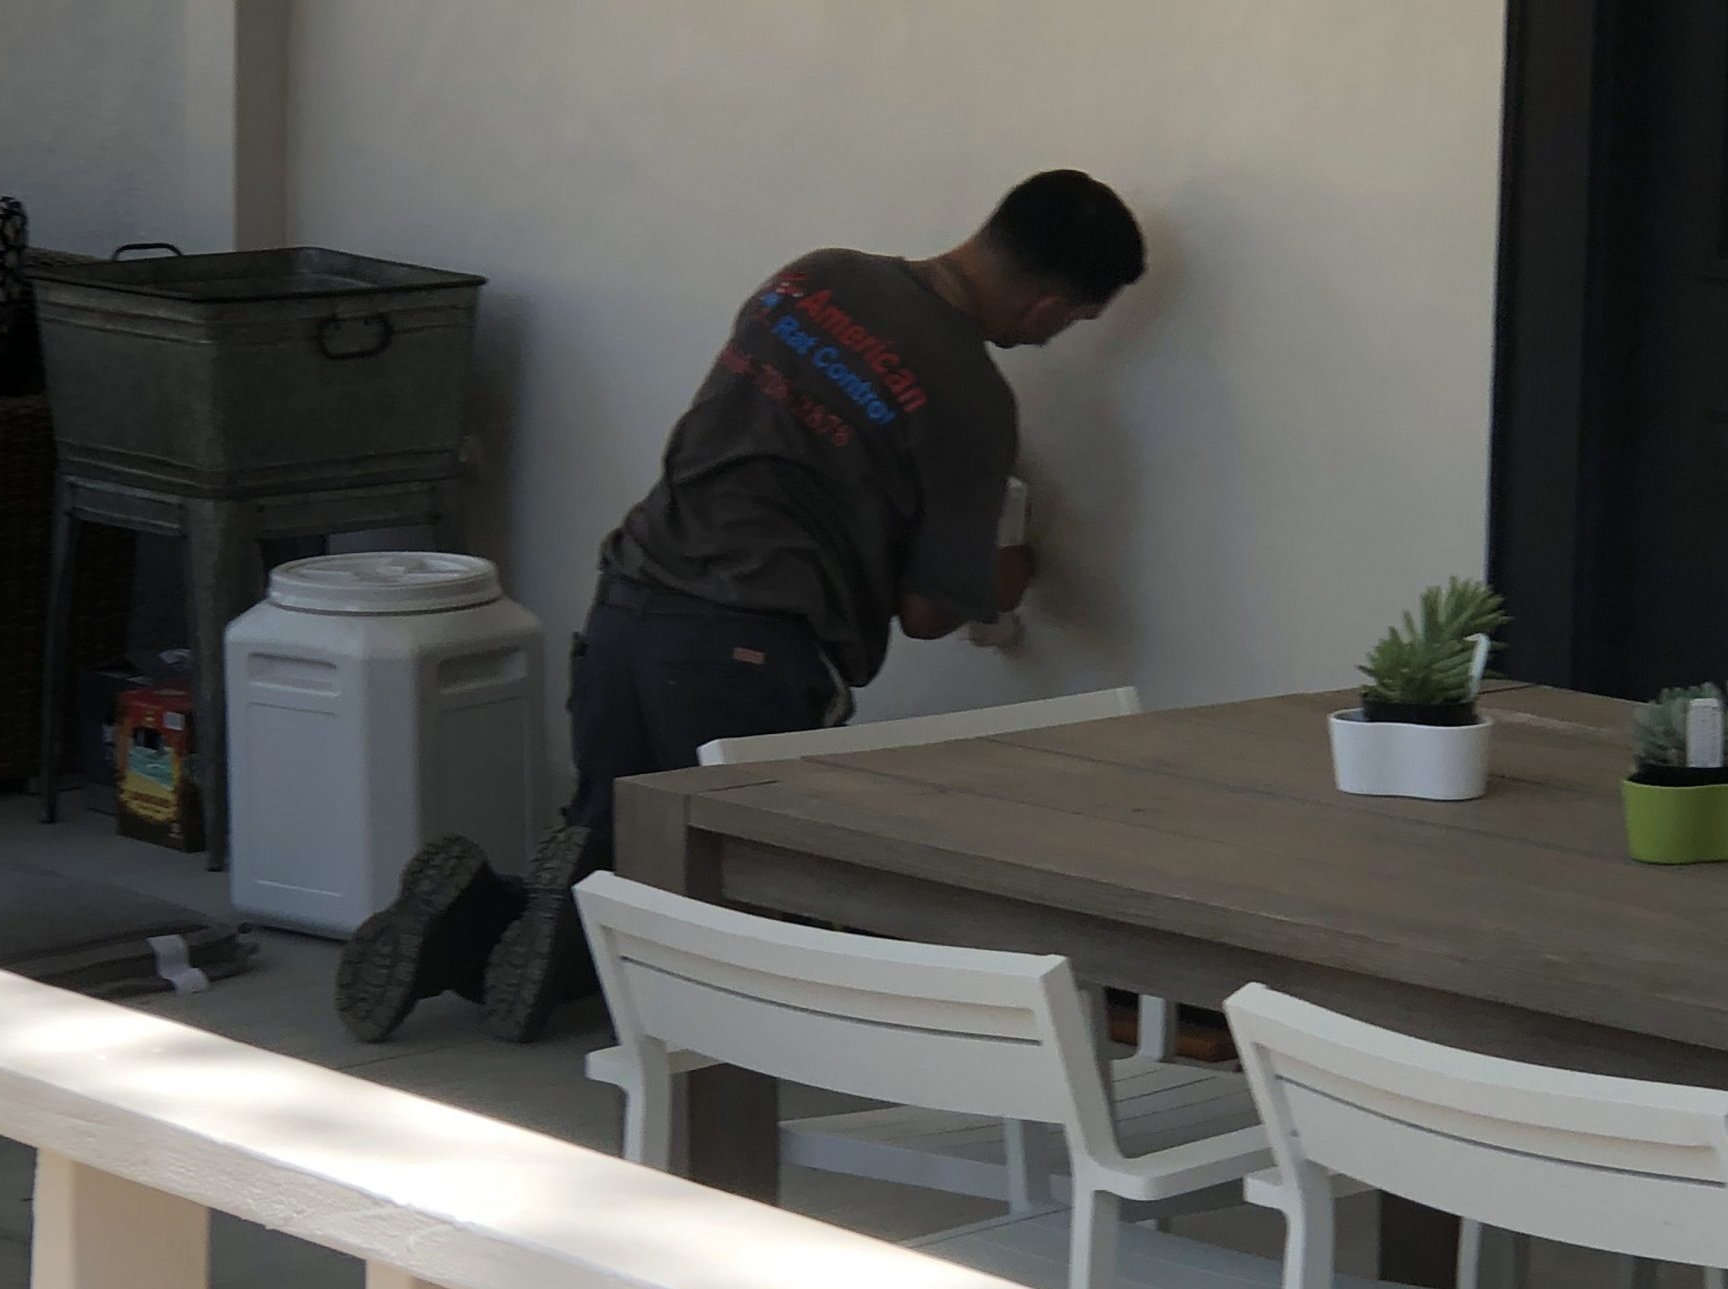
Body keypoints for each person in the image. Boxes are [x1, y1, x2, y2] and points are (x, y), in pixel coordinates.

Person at [334, 168, 1147, 1047]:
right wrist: (1015, 567)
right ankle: (545, 950)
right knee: (726, 907)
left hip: (630, 598)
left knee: (614, 837)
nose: (1060, 337)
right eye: (1074, 320)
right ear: (1046, 304)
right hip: (751, 647)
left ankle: (471, 920)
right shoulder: (973, 401)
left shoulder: (815, 279)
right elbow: (927, 611)